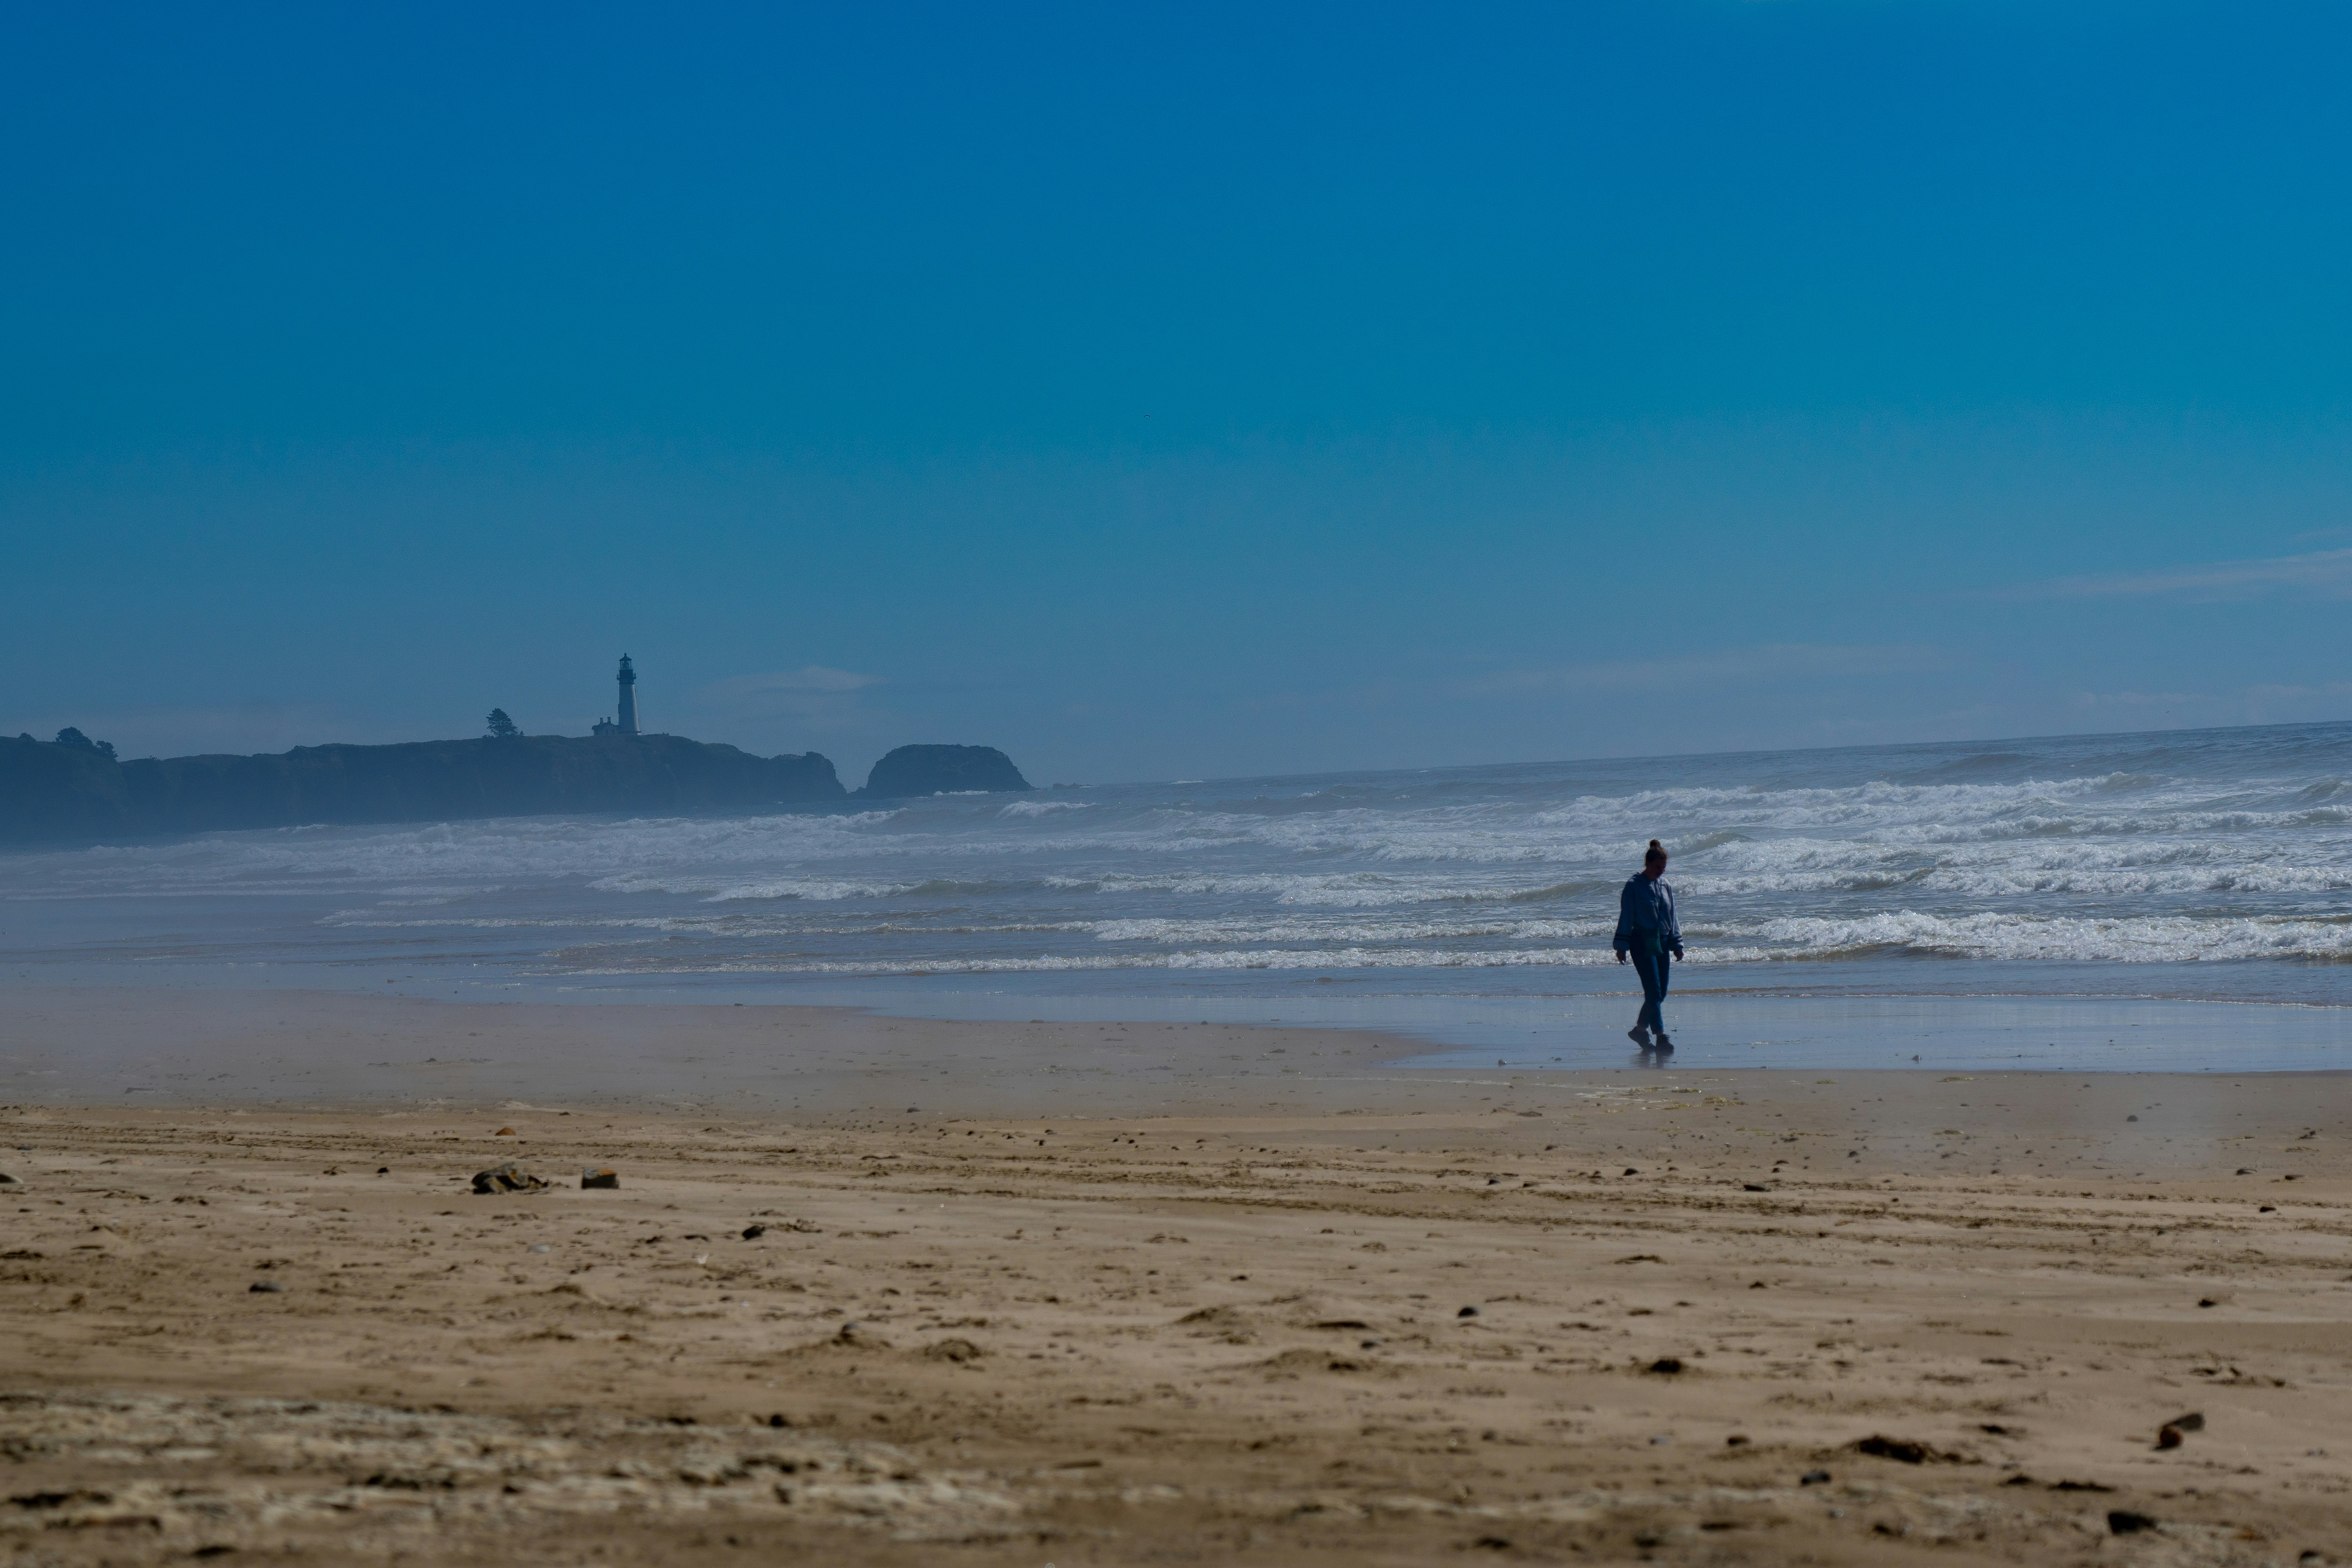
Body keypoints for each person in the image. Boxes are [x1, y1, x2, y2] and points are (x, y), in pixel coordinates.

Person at [1613, 839, 1683, 1051]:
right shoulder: (1634, 886)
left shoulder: (1666, 886)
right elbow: (1626, 916)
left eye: (1664, 868)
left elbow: (1673, 916)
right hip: (1641, 940)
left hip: (1662, 940)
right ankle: (1661, 1035)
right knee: (1653, 990)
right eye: (1657, 868)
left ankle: (1640, 1031)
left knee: (1660, 993)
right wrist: (1622, 946)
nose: (1661, 871)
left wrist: (1677, 943)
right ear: (1648, 864)